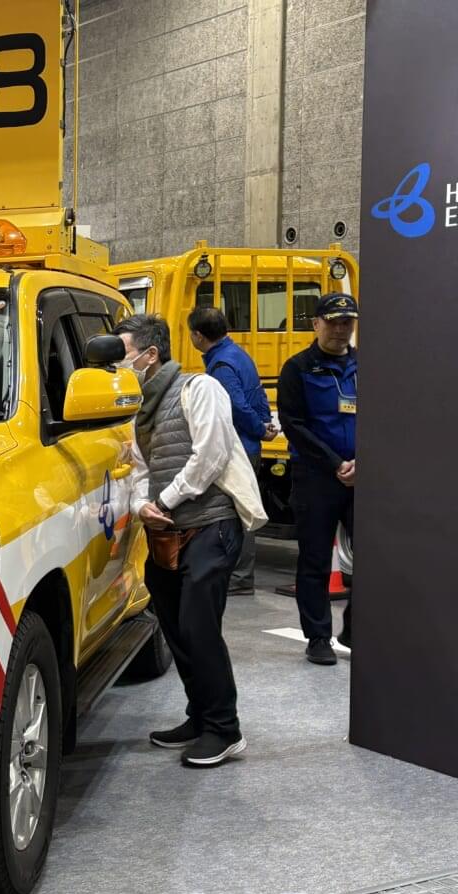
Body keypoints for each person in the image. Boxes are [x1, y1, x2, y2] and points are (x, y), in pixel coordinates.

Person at [116, 314, 265, 768]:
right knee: (177, 629)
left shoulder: (199, 388)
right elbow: (138, 467)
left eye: (124, 354)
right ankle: (200, 716)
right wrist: (141, 504)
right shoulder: (139, 408)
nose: (119, 365)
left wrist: (164, 499)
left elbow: (211, 454)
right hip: (167, 532)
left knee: (200, 629)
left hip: (211, 525)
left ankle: (224, 728)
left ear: (150, 354)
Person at [277, 292, 358, 666]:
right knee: (314, 559)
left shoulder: (366, 364)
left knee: (373, 557)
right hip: (315, 478)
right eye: (334, 322)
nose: (341, 329)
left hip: (361, 476)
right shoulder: (298, 369)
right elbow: (293, 424)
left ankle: (355, 628)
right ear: (316, 324)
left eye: (347, 322)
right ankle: (318, 637)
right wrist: (335, 464)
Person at [188, 306, 276, 595]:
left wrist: (259, 429)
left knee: (239, 510)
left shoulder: (221, 365)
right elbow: (258, 395)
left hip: (238, 447)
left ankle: (239, 577)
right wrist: (264, 423)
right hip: (249, 444)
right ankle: (239, 575)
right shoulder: (237, 355)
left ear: (198, 336)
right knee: (242, 507)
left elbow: (236, 406)